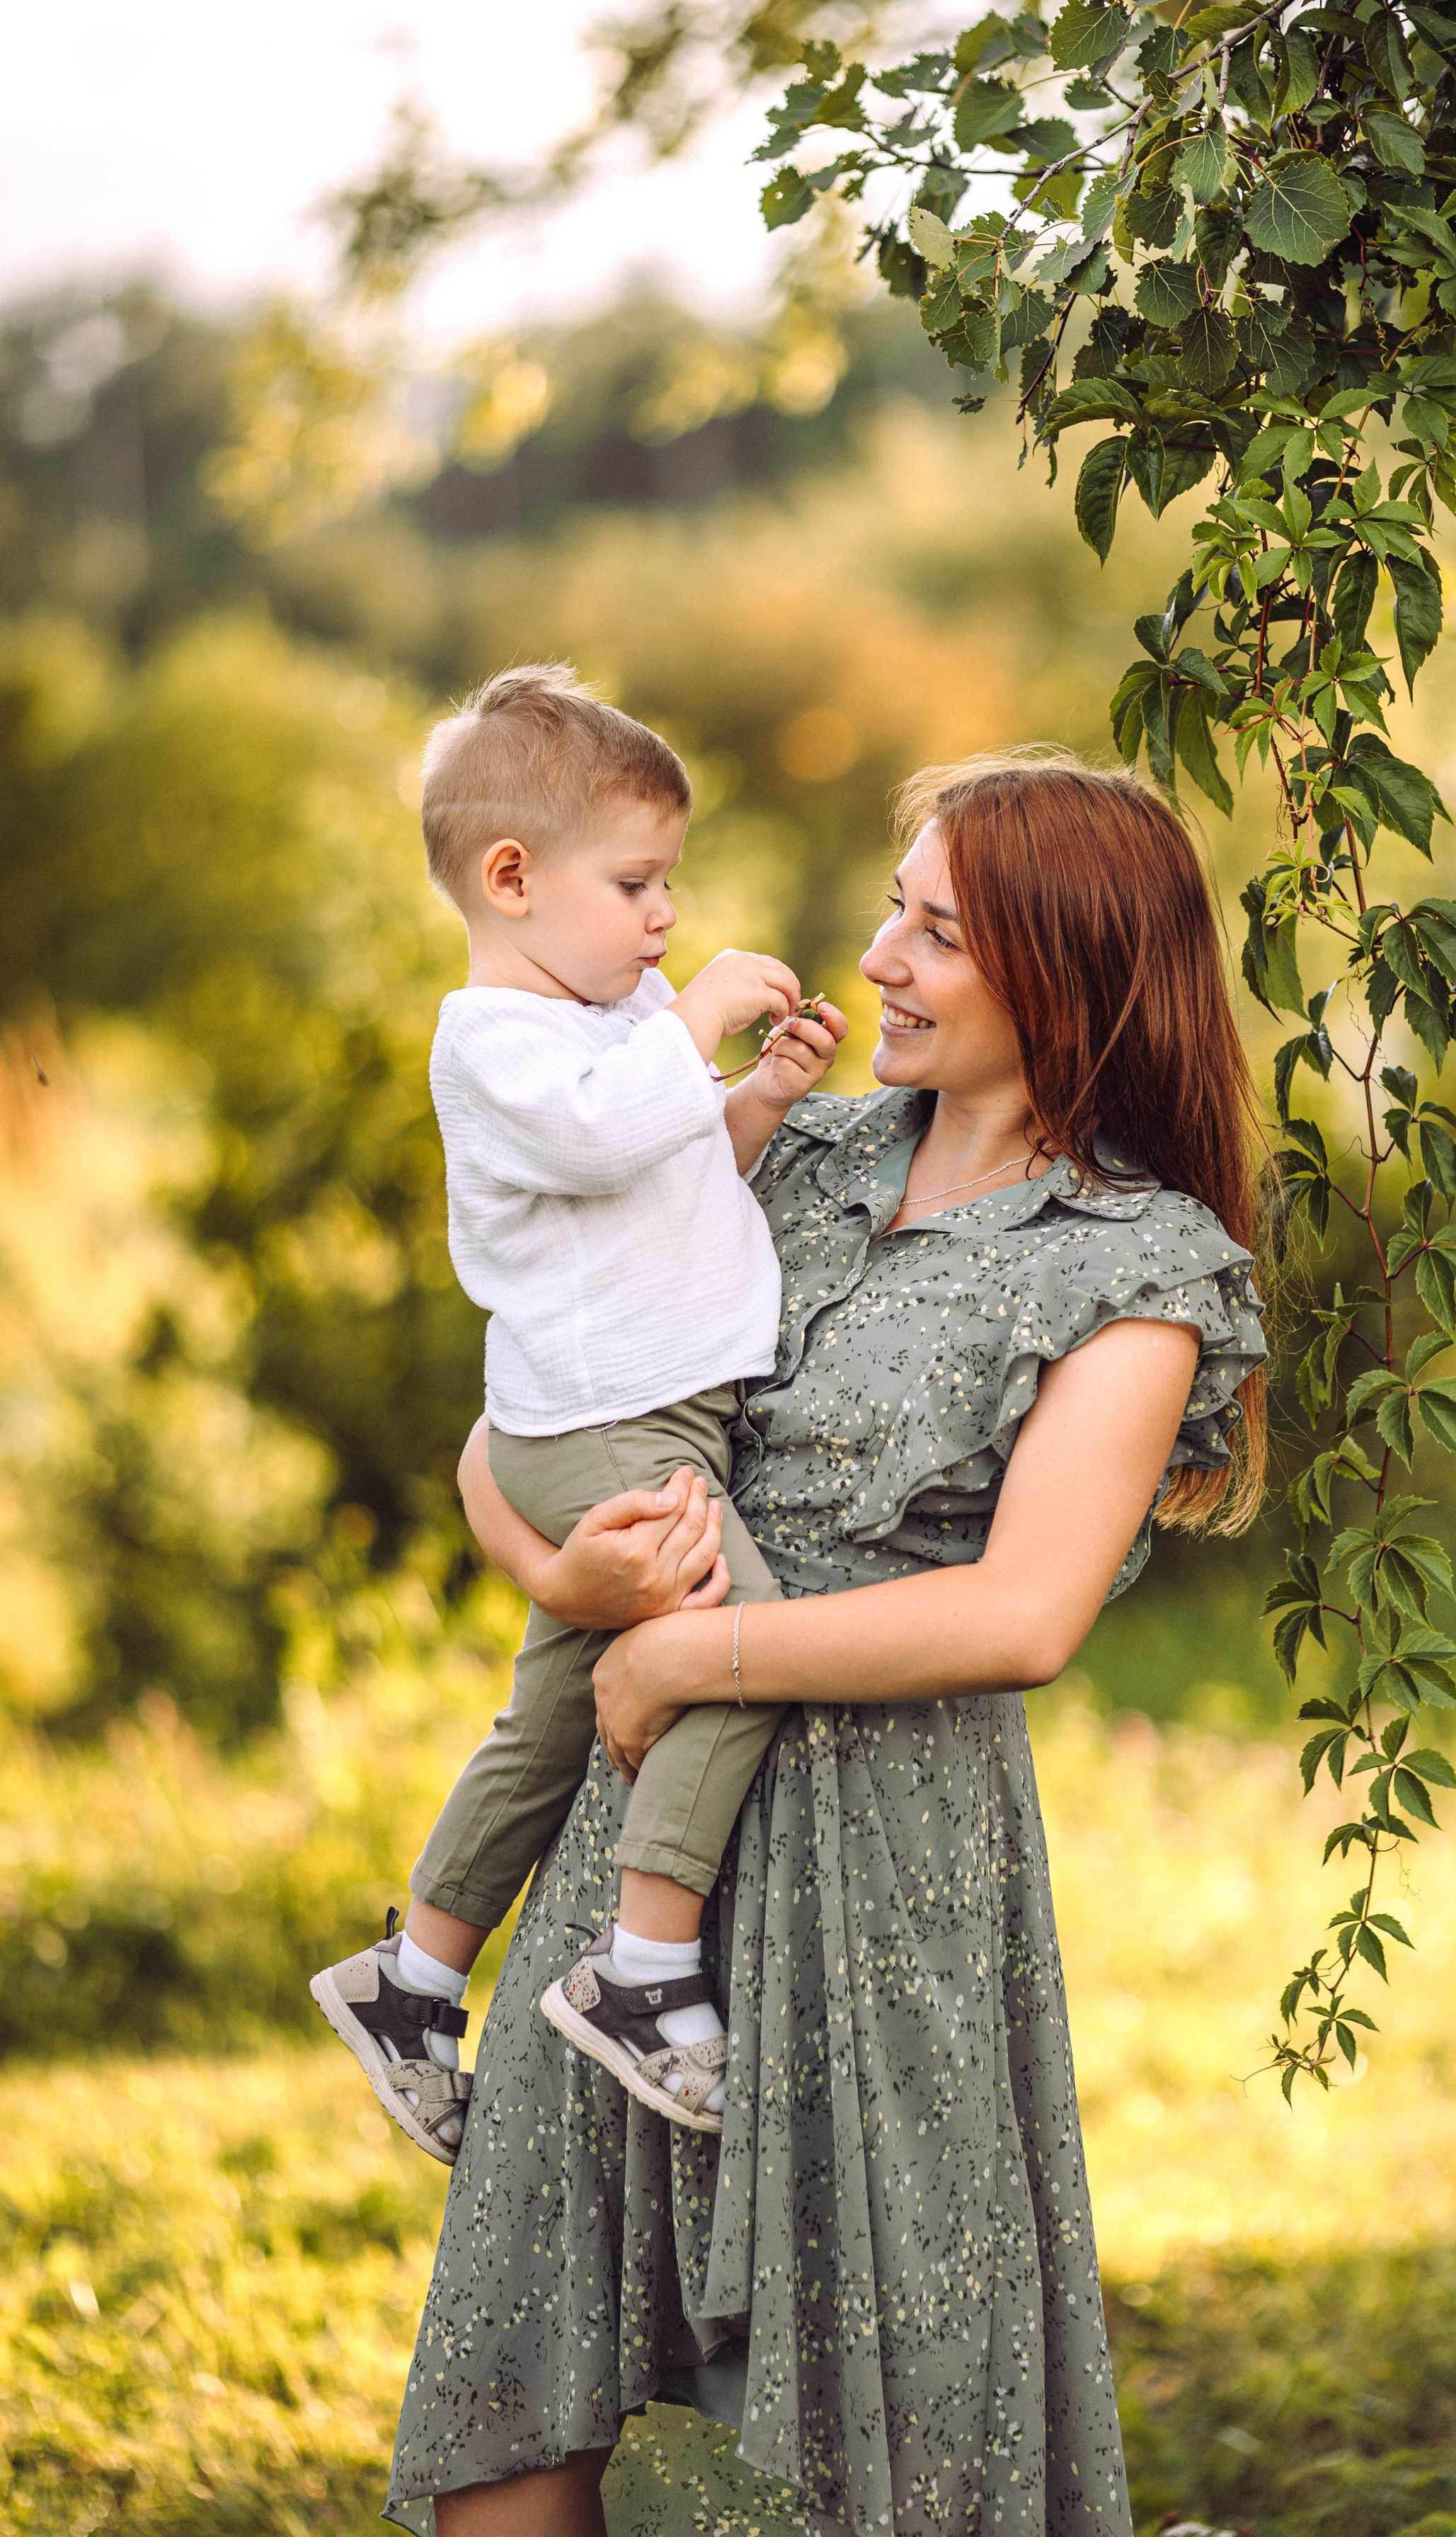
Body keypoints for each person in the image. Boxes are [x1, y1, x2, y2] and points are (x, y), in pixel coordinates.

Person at [384, 750, 1268, 2537]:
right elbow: (514, 1423)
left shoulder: (1132, 1265)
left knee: (897, 2447)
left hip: (889, 1884)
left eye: (935, 934)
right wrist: (565, 1582)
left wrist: (682, 1663)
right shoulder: (784, 1149)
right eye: (893, 910)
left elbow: (1021, 1612)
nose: (878, 959)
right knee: (517, 2405)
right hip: (630, 1887)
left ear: (1063, 974)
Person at [312, 664, 848, 2163]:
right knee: (737, 1648)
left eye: (668, 882)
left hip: (642, 1413)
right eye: (634, 884)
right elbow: (606, 1134)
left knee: (550, 1713)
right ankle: (644, 1968)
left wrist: (757, 1097)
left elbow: (668, 1180)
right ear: (512, 880)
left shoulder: (625, 1023)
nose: (665, 916)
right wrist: (698, 1022)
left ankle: (415, 1978)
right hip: (607, 1421)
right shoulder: (497, 1044)